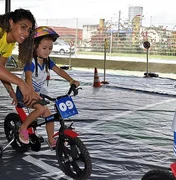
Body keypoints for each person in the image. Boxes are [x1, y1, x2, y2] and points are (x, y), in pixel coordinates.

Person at [16, 26, 80, 147]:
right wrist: (31, 92)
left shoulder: (47, 61)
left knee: (49, 116)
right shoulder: (31, 62)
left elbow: (59, 71)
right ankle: (23, 128)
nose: (47, 51)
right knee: (40, 109)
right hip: (25, 92)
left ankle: (51, 140)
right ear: (35, 47)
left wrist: (71, 80)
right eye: (44, 48)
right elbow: (28, 78)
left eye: (50, 48)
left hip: (37, 93)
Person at [0, 8, 40, 104]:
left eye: (29, 30)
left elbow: (1, 69)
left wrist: (11, 92)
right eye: (23, 27)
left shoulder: (10, 43)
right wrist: (21, 83)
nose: (26, 33)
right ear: (11, 23)